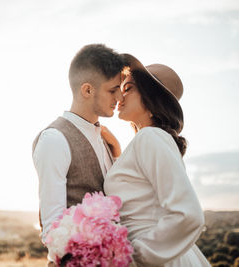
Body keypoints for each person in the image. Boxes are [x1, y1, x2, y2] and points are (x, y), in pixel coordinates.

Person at [104, 54, 211, 266]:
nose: (119, 98)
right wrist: (116, 153)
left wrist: (134, 257)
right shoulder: (149, 139)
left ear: (152, 98)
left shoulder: (151, 137)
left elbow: (188, 216)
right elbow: (140, 194)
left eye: (128, 88)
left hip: (155, 258)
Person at [32, 44, 126, 265]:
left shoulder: (106, 139)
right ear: (87, 90)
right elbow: (52, 230)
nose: (120, 96)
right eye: (113, 90)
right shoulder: (55, 139)